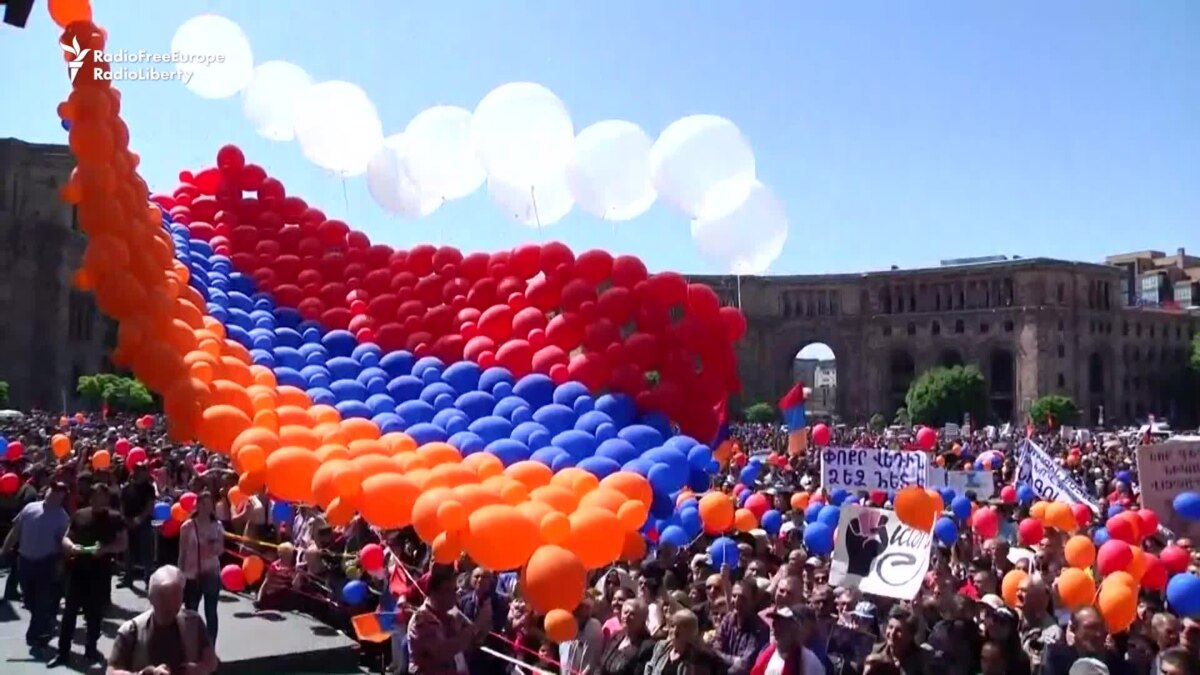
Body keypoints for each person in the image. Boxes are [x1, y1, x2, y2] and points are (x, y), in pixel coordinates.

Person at [50, 483, 127, 667]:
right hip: (76, 571)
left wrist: (106, 549)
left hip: (99, 573)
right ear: (90, 497)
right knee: (69, 614)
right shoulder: (79, 515)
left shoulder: (115, 518)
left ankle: (91, 650)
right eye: (95, 496)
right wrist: (70, 546)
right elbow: (67, 537)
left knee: (94, 615)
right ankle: (63, 653)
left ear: (107, 498)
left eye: (102, 496)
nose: (98, 499)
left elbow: (123, 543)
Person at [106, 564, 219, 675]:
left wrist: (198, 669)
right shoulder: (132, 630)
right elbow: (111, 672)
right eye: (164, 600)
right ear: (151, 598)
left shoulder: (194, 623)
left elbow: (211, 662)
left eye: (175, 599)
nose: (170, 606)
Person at [1, 481, 72, 649]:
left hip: (46, 562)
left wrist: (62, 563)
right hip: (24, 560)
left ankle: (34, 634)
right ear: (47, 490)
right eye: (52, 490)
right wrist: (5, 549)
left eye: (59, 493)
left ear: (62, 497)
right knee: (29, 599)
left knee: (41, 600)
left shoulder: (63, 517)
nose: (54, 494)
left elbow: (64, 541)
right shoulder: (30, 508)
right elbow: (16, 530)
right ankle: (44, 622)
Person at [407, 564, 486, 674]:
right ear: (434, 593)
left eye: (454, 589)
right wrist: (470, 632)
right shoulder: (422, 619)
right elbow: (442, 651)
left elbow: (466, 645)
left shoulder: (448, 616)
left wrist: (476, 634)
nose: (455, 594)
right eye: (449, 590)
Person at [178, 490, 224, 646]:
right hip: (192, 574)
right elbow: (182, 552)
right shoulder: (187, 526)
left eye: (209, 504)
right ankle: (191, 645)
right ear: (197, 505)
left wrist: (215, 546)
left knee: (211, 612)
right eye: (203, 504)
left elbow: (220, 550)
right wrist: (180, 575)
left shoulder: (217, 526)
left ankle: (211, 646)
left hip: (211, 572)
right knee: (191, 612)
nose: (206, 507)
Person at [749, 605, 826, 675]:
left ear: (793, 629)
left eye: (782, 625)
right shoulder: (768, 654)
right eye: (775, 624)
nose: (777, 629)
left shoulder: (809, 660)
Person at [645, 609, 728, 675]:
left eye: (682, 627)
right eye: (673, 626)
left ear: (692, 632)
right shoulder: (661, 647)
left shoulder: (700, 658)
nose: (675, 631)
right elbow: (650, 667)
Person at [119, 461, 157, 588]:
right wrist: (125, 519)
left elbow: (149, 506)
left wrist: (139, 519)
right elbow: (122, 505)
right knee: (128, 550)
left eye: (142, 470)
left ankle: (148, 579)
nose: (139, 472)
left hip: (144, 522)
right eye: (137, 470)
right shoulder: (126, 488)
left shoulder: (149, 488)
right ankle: (127, 578)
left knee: (147, 551)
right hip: (128, 521)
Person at [598, 598, 656, 675]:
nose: (627, 616)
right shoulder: (617, 636)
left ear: (643, 619)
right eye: (625, 612)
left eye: (632, 614)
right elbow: (600, 665)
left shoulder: (647, 646)